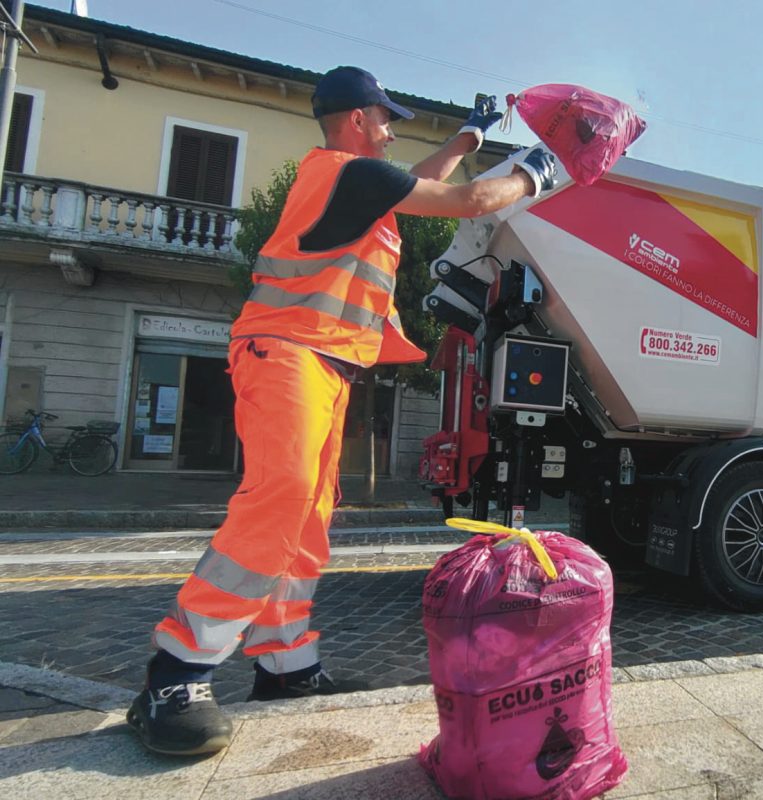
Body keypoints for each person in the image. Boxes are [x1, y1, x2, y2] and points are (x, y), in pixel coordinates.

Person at [126, 65, 558, 756]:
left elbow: (424, 175)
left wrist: (469, 133)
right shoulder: (348, 174)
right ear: (358, 118)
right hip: (288, 354)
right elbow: (474, 197)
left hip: (320, 363)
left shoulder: (359, 186)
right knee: (281, 499)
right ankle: (175, 675)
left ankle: (286, 667)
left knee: (306, 518)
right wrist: (543, 166)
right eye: (384, 118)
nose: (390, 131)